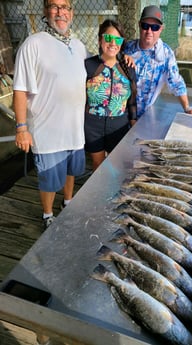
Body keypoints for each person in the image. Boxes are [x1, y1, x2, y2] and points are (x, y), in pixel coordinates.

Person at [13, 0, 88, 231]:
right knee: (48, 179)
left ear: (72, 12)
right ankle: (47, 215)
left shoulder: (79, 46)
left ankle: (67, 202)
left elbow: (101, 64)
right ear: (46, 11)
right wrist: (22, 128)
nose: (60, 12)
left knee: (71, 171)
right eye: (54, 7)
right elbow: (20, 89)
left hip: (75, 129)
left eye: (65, 7)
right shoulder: (33, 44)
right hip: (47, 132)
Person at [124, 5, 192, 118]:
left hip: (144, 117)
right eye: (145, 26)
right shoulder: (127, 48)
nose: (149, 31)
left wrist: (187, 108)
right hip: (122, 114)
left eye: (155, 27)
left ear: (161, 29)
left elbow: (176, 83)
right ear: (139, 25)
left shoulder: (166, 54)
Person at [84, 19, 137, 171]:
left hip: (119, 125)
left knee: (118, 166)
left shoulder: (128, 67)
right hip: (93, 124)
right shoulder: (89, 65)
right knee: (98, 167)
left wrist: (133, 123)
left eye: (118, 39)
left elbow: (133, 101)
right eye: (108, 38)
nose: (113, 43)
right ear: (100, 39)